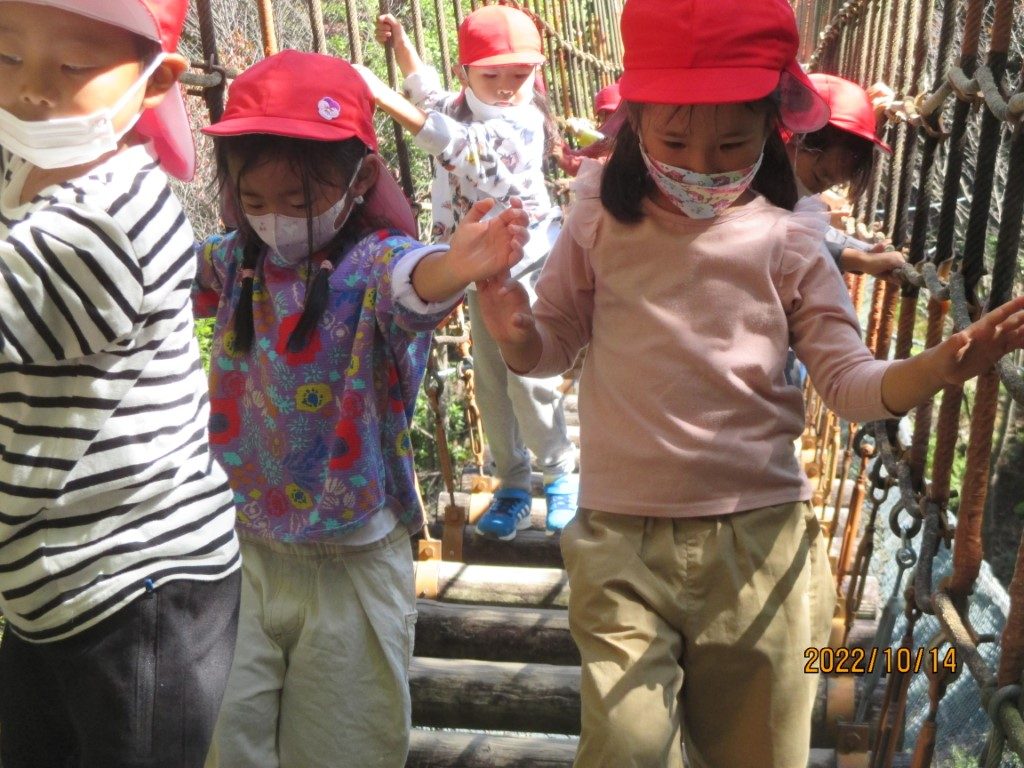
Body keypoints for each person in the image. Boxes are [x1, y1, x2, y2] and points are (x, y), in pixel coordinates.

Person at [473, 0, 1024, 765]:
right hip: (619, 542)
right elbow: (555, 341)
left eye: (732, 142)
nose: (702, 164)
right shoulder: (599, 213)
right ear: (636, 120)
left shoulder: (791, 233)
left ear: (773, 127)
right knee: (624, 748)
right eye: (674, 141)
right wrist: (517, 334)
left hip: (758, 546)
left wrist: (940, 365)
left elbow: (847, 382)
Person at [194, 51, 528, 768]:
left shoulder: (374, 263)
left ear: (363, 179)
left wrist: (459, 264)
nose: (275, 219)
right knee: (223, 746)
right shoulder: (235, 261)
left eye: (298, 199)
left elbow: (417, 280)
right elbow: (156, 268)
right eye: (254, 200)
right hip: (237, 552)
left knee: (344, 749)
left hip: (351, 558)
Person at [0, 1, 241, 766]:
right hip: (48, 583)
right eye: (5, 55)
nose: (33, 87)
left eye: (73, 65)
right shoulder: (22, 165)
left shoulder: (108, 221)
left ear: (156, 82)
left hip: (136, 585)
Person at [363, 5, 578, 540]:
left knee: (528, 377)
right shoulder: (460, 105)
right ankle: (512, 484)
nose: (506, 87)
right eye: (491, 76)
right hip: (482, 270)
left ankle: (561, 476)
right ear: (466, 74)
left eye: (520, 75)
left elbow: (460, 147)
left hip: (526, 263)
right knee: (490, 381)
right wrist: (401, 45)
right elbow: (427, 92)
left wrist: (380, 97)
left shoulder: (522, 125)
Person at [790, 72, 906, 282]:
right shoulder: (748, 182)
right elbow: (781, 241)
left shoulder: (787, 182)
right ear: (795, 135)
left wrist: (866, 252)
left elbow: (809, 232)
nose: (819, 192)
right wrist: (859, 260)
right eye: (820, 177)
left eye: (831, 185)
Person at [556, 81, 622, 176]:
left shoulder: (629, 139)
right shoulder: (605, 139)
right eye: (602, 116)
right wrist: (562, 148)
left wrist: (564, 160)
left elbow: (600, 166)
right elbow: (585, 153)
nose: (608, 121)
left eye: (609, 113)